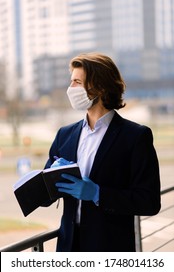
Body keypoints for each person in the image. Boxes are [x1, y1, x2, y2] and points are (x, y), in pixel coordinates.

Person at [44, 52, 161, 252]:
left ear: (100, 87)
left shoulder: (135, 137)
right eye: (71, 82)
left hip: (110, 248)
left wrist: (98, 194)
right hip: (68, 247)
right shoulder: (64, 135)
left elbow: (149, 202)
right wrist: (44, 180)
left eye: (77, 82)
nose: (70, 89)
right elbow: (46, 197)